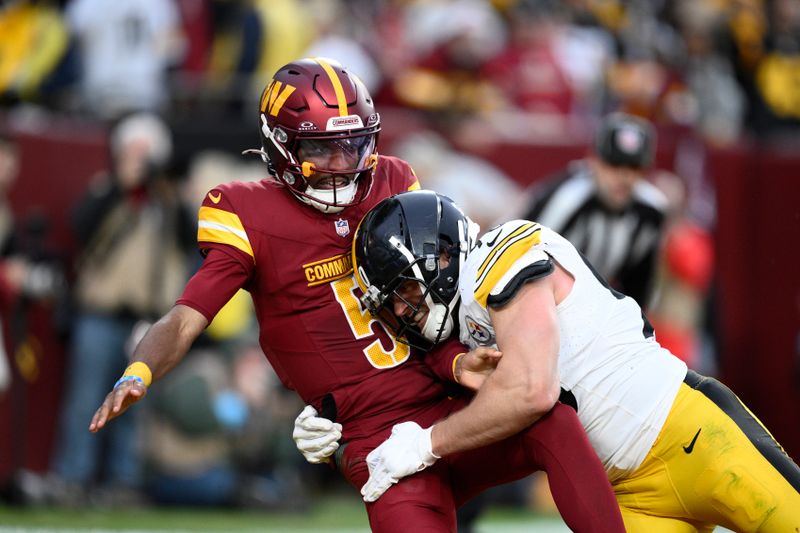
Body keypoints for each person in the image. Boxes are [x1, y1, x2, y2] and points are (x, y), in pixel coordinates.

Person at [88, 57, 624, 532]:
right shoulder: (244, 212)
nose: (344, 164)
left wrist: (460, 362)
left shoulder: (393, 179)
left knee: (554, 417)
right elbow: (186, 317)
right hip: (376, 438)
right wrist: (141, 371)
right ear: (280, 147)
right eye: (322, 150)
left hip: (452, 401)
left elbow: (445, 296)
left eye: (354, 144)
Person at [347, 190, 800, 532]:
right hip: (625, 496)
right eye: (394, 303)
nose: (404, 311)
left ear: (441, 257)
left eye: (405, 292)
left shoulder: (500, 257)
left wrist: (426, 444)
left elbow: (532, 390)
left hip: (694, 436)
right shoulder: (460, 331)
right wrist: (332, 416)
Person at [521, 112, 667, 307]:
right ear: (593, 161)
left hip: (590, 309)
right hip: (535, 300)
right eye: (614, 164)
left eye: (634, 167)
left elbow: (639, 286)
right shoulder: (567, 199)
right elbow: (520, 260)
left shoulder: (650, 213)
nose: (624, 177)